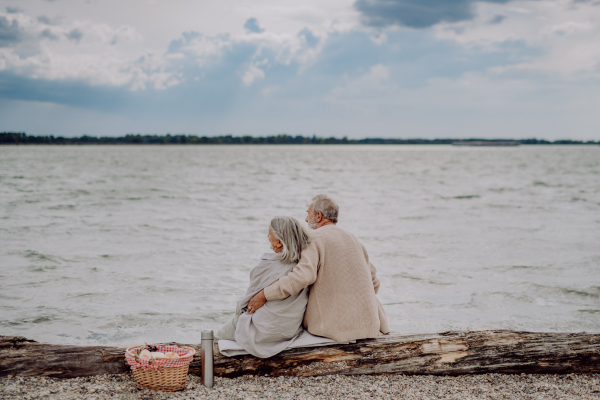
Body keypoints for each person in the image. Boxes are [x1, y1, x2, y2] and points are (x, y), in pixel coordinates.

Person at [248, 194, 390, 343]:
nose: (305, 219)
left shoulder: (313, 238)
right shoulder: (354, 239)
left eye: (308, 214)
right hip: (370, 326)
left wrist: (264, 294)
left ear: (318, 216)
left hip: (337, 330)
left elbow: (302, 277)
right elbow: (375, 283)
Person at [215, 216, 312, 358]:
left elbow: (247, 303)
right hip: (288, 330)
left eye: (269, 233)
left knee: (217, 336)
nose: (267, 236)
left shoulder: (268, 265)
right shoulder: (301, 266)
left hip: (265, 329)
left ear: (279, 242)